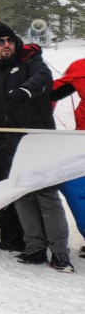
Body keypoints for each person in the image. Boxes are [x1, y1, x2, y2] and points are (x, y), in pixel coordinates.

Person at [0, 21, 72, 271]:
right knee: (21, 194)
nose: (6, 45)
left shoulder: (29, 60)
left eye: (10, 40)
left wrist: (26, 90)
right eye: (0, 42)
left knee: (46, 195)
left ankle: (59, 251)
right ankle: (34, 246)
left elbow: (44, 79)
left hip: (37, 138)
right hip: (4, 142)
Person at [50, 59, 85, 258]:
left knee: (76, 186)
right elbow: (49, 94)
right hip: (82, 140)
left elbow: (49, 94)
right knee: (75, 186)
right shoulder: (80, 69)